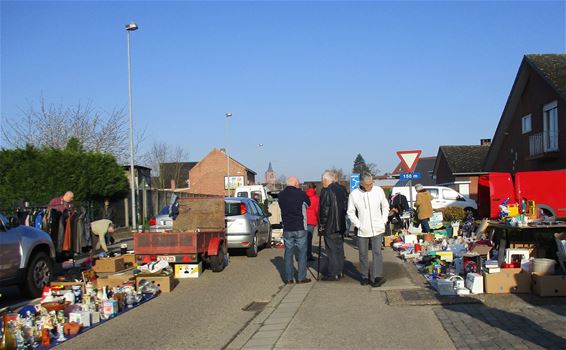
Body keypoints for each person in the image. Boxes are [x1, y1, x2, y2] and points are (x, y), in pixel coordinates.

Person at [347, 174, 390, 287]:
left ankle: (377, 276)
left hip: (378, 227)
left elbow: (385, 206)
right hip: (362, 230)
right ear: (361, 183)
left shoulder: (378, 190)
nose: (370, 186)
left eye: (371, 183)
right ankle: (364, 276)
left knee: (377, 252)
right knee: (363, 254)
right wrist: (358, 224)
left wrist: (383, 220)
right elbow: (350, 212)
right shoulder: (354, 194)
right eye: (367, 184)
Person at [278, 176, 311, 284]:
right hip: (300, 227)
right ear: (296, 183)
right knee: (302, 253)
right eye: (298, 183)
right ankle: (301, 277)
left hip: (287, 228)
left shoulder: (281, 195)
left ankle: (289, 278)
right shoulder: (301, 194)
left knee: (288, 253)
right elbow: (308, 204)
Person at [318, 171, 348, 281]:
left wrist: (322, 225)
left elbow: (324, 210)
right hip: (340, 224)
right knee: (339, 249)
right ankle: (340, 271)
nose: (322, 182)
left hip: (330, 225)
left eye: (323, 180)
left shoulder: (327, 191)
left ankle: (333, 273)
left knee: (331, 250)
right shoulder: (342, 190)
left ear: (327, 180)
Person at [305, 183, 320, 262]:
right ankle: (308, 255)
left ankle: (303, 254)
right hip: (311, 220)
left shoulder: (304, 196)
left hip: (303, 220)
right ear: (314, 188)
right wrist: (319, 221)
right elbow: (317, 210)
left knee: (303, 239)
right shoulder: (316, 198)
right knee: (309, 238)